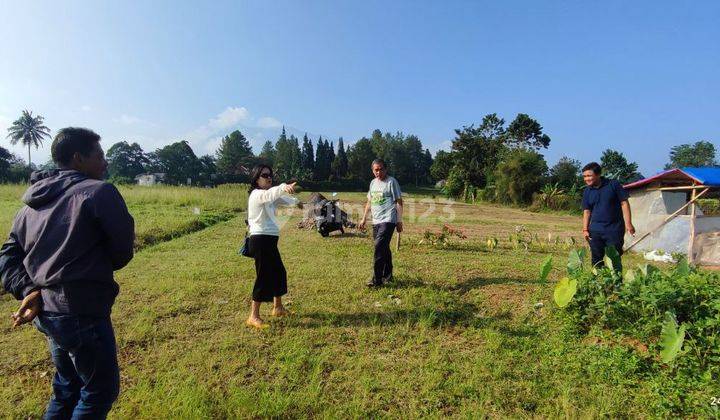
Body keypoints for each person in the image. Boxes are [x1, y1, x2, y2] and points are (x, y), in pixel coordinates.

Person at [0, 127, 135, 419]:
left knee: (67, 385)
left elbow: (8, 256)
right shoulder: (99, 192)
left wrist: (29, 290)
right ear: (78, 158)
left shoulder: (29, 207)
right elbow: (122, 252)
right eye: (100, 155)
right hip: (83, 310)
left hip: (48, 312)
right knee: (99, 391)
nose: (106, 162)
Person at [245, 164, 300, 329]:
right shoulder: (257, 194)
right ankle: (253, 316)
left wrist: (298, 202)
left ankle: (278, 308)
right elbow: (272, 194)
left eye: (270, 175)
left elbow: (283, 200)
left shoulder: (268, 196)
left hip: (269, 241)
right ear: (256, 178)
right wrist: (284, 186)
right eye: (265, 175)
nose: (269, 177)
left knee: (278, 272)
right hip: (260, 241)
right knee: (263, 277)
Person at [581, 162, 635, 272]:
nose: (586, 179)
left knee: (614, 259)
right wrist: (585, 229)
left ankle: (616, 285)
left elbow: (624, 203)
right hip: (595, 231)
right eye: (584, 176)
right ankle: (598, 284)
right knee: (596, 260)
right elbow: (587, 211)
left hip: (614, 230)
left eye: (589, 176)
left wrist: (628, 223)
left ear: (598, 174)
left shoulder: (613, 185)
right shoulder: (587, 191)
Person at [358, 159, 403, 287]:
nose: (379, 172)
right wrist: (364, 218)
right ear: (372, 171)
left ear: (386, 169)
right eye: (376, 170)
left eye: (381, 169)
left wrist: (399, 221)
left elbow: (399, 202)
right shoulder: (372, 183)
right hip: (376, 220)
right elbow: (369, 202)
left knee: (378, 247)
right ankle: (388, 275)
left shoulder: (391, 182)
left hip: (389, 219)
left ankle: (377, 280)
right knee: (384, 248)